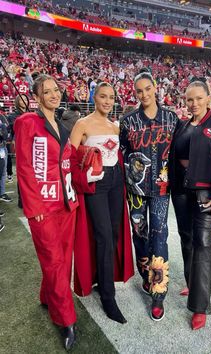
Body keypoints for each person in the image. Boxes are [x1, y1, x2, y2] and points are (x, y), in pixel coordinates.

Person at [14, 74, 79, 350]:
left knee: (63, 259)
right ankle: (67, 320)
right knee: (53, 261)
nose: (54, 95)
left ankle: (47, 296)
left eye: (56, 90)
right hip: (43, 206)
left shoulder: (63, 122)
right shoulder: (27, 122)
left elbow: (67, 159)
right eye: (47, 91)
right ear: (37, 96)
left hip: (66, 204)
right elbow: (25, 168)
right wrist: (34, 206)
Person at [169, 79, 211, 330]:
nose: (194, 103)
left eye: (198, 98)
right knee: (186, 238)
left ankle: (200, 306)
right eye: (189, 99)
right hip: (181, 192)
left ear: (209, 97)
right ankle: (191, 283)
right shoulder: (183, 125)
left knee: (203, 244)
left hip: (207, 195)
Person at [70, 82, 134, 324]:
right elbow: (69, 159)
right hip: (97, 183)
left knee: (114, 235)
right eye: (103, 97)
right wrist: (83, 177)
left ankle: (101, 279)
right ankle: (108, 296)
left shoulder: (115, 126)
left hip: (116, 181)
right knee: (104, 236)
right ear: (94, 97)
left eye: (111, 97)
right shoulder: (82, 124)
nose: (108, 101)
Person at [119, 71, 178, 321]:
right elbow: (121, 152)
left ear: (155, 88)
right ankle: (145, 277)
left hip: (162, 190)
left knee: (160, 237)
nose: (144, 94)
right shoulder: (128, 121)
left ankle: (158, 291)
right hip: (137, 192)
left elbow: (179, 152)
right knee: (140, 236)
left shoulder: (172, 119)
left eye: (147, 89)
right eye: (139, 91)